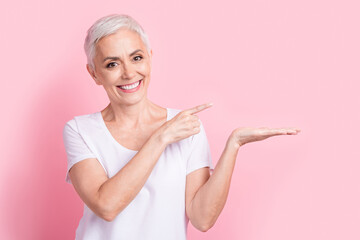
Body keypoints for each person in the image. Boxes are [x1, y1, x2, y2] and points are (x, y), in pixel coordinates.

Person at [62, 13, 301, 240]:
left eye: (137, 58)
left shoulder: (186, 126)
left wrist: (234, 144)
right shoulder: (80, 130)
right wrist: (161, 138)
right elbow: (107, 205)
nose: (128, 73)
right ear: (94, 74)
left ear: (150, 58)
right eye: (112, 64)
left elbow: (202, 218)